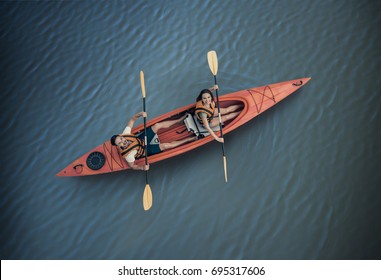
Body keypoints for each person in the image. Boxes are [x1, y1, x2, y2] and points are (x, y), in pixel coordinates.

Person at [110, 112, 196, 171]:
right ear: (118, 146)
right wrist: (142, 168)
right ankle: (188, 139)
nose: (123, 142)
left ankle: (178, 121)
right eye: (120, 143)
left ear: (121, 136)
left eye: (121, 139)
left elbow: (132, 119)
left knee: (157, 125)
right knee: (165, 146)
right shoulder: (128, 155)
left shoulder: (125, 133)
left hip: (142, 140)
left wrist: (140, 114)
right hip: (145, 150)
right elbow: (132, 166)